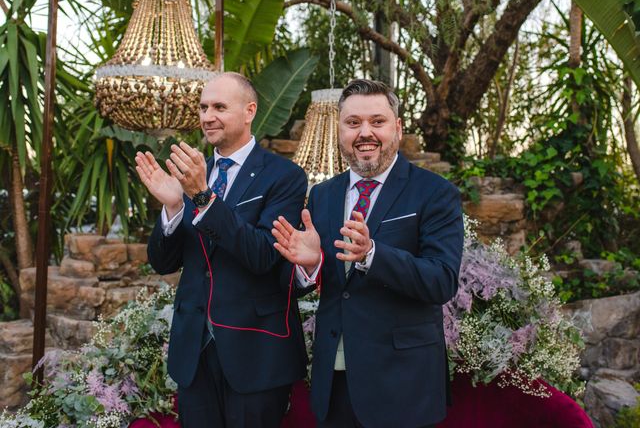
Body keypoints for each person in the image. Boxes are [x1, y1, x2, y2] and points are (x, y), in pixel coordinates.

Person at [272, 79, 464, 428]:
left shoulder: (436, 193)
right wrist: (311, 266)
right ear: (340, 131)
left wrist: (372, 254)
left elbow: (442, 280)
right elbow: (322, 286)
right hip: (335, 381)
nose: (365, 132)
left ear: (398, 128)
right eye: (353, 122)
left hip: (402, 384)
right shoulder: (322, 196)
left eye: (377, 121)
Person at [135, 72, 308, 428]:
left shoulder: (284, 177)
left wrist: (202, 196)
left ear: (249, 111)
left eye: (218, 107)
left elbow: (262, 255)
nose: (207, 115)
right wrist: (172, 208)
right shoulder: (193, 173)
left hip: (256, 352)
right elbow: (163, 262)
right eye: (203, 107)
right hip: (194, 351)